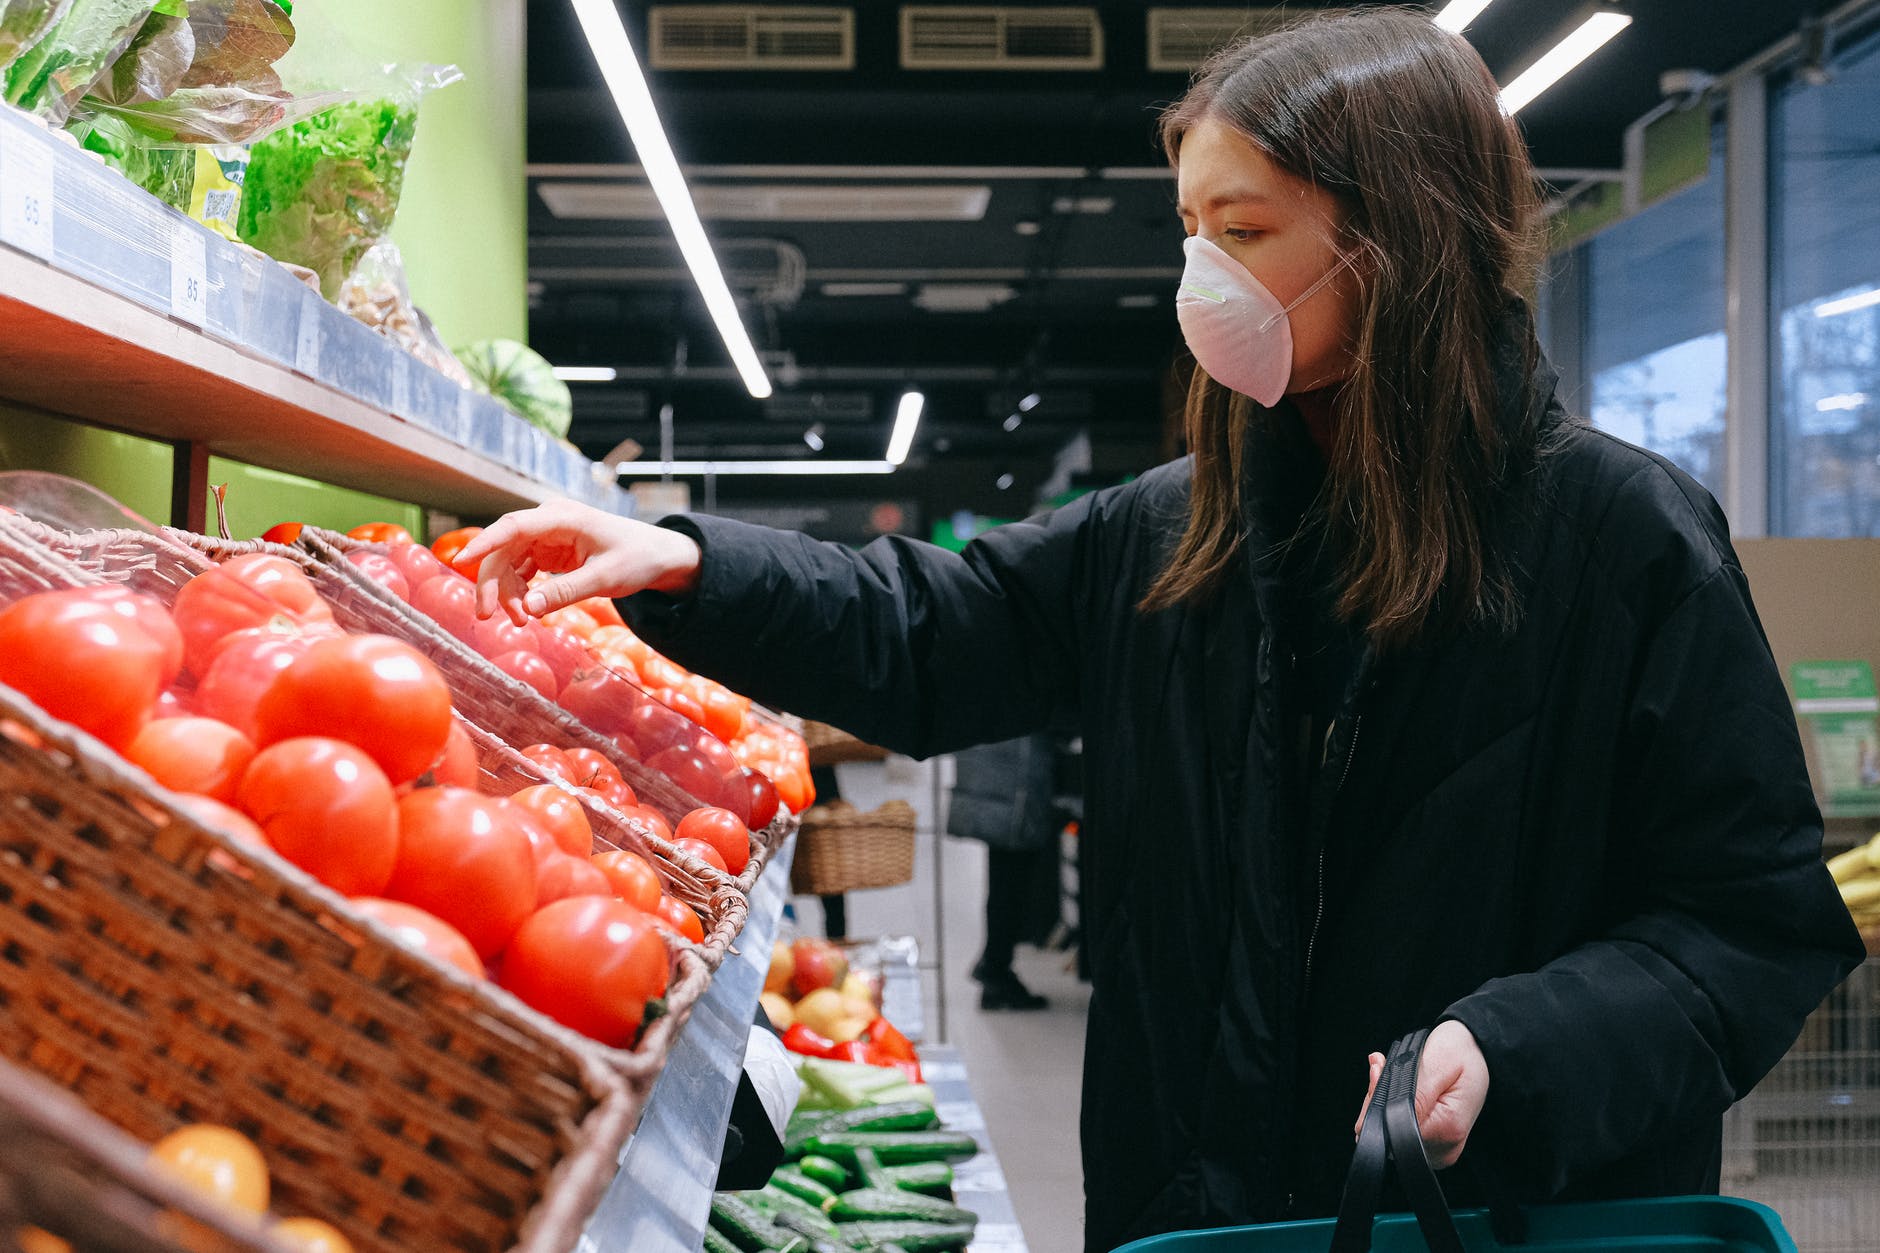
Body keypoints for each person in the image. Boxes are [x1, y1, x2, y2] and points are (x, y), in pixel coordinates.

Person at [457, 10, 1864, 1250]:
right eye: (1191, 231)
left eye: (1246, 232)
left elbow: (1748, 926)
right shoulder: (1176, 526)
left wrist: (1516, 1049)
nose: (1204, 275)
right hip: (1194, 1210)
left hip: (1505, 1211)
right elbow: (941, 625)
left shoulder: (1623, 542)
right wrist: (689, 564)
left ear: (1400, 245)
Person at [946, 734, 1060, 1010]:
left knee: (1004, 876)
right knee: (1011, 879)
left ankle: (995, 966)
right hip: (1015, 778)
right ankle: (996, 967)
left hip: (994, 772)